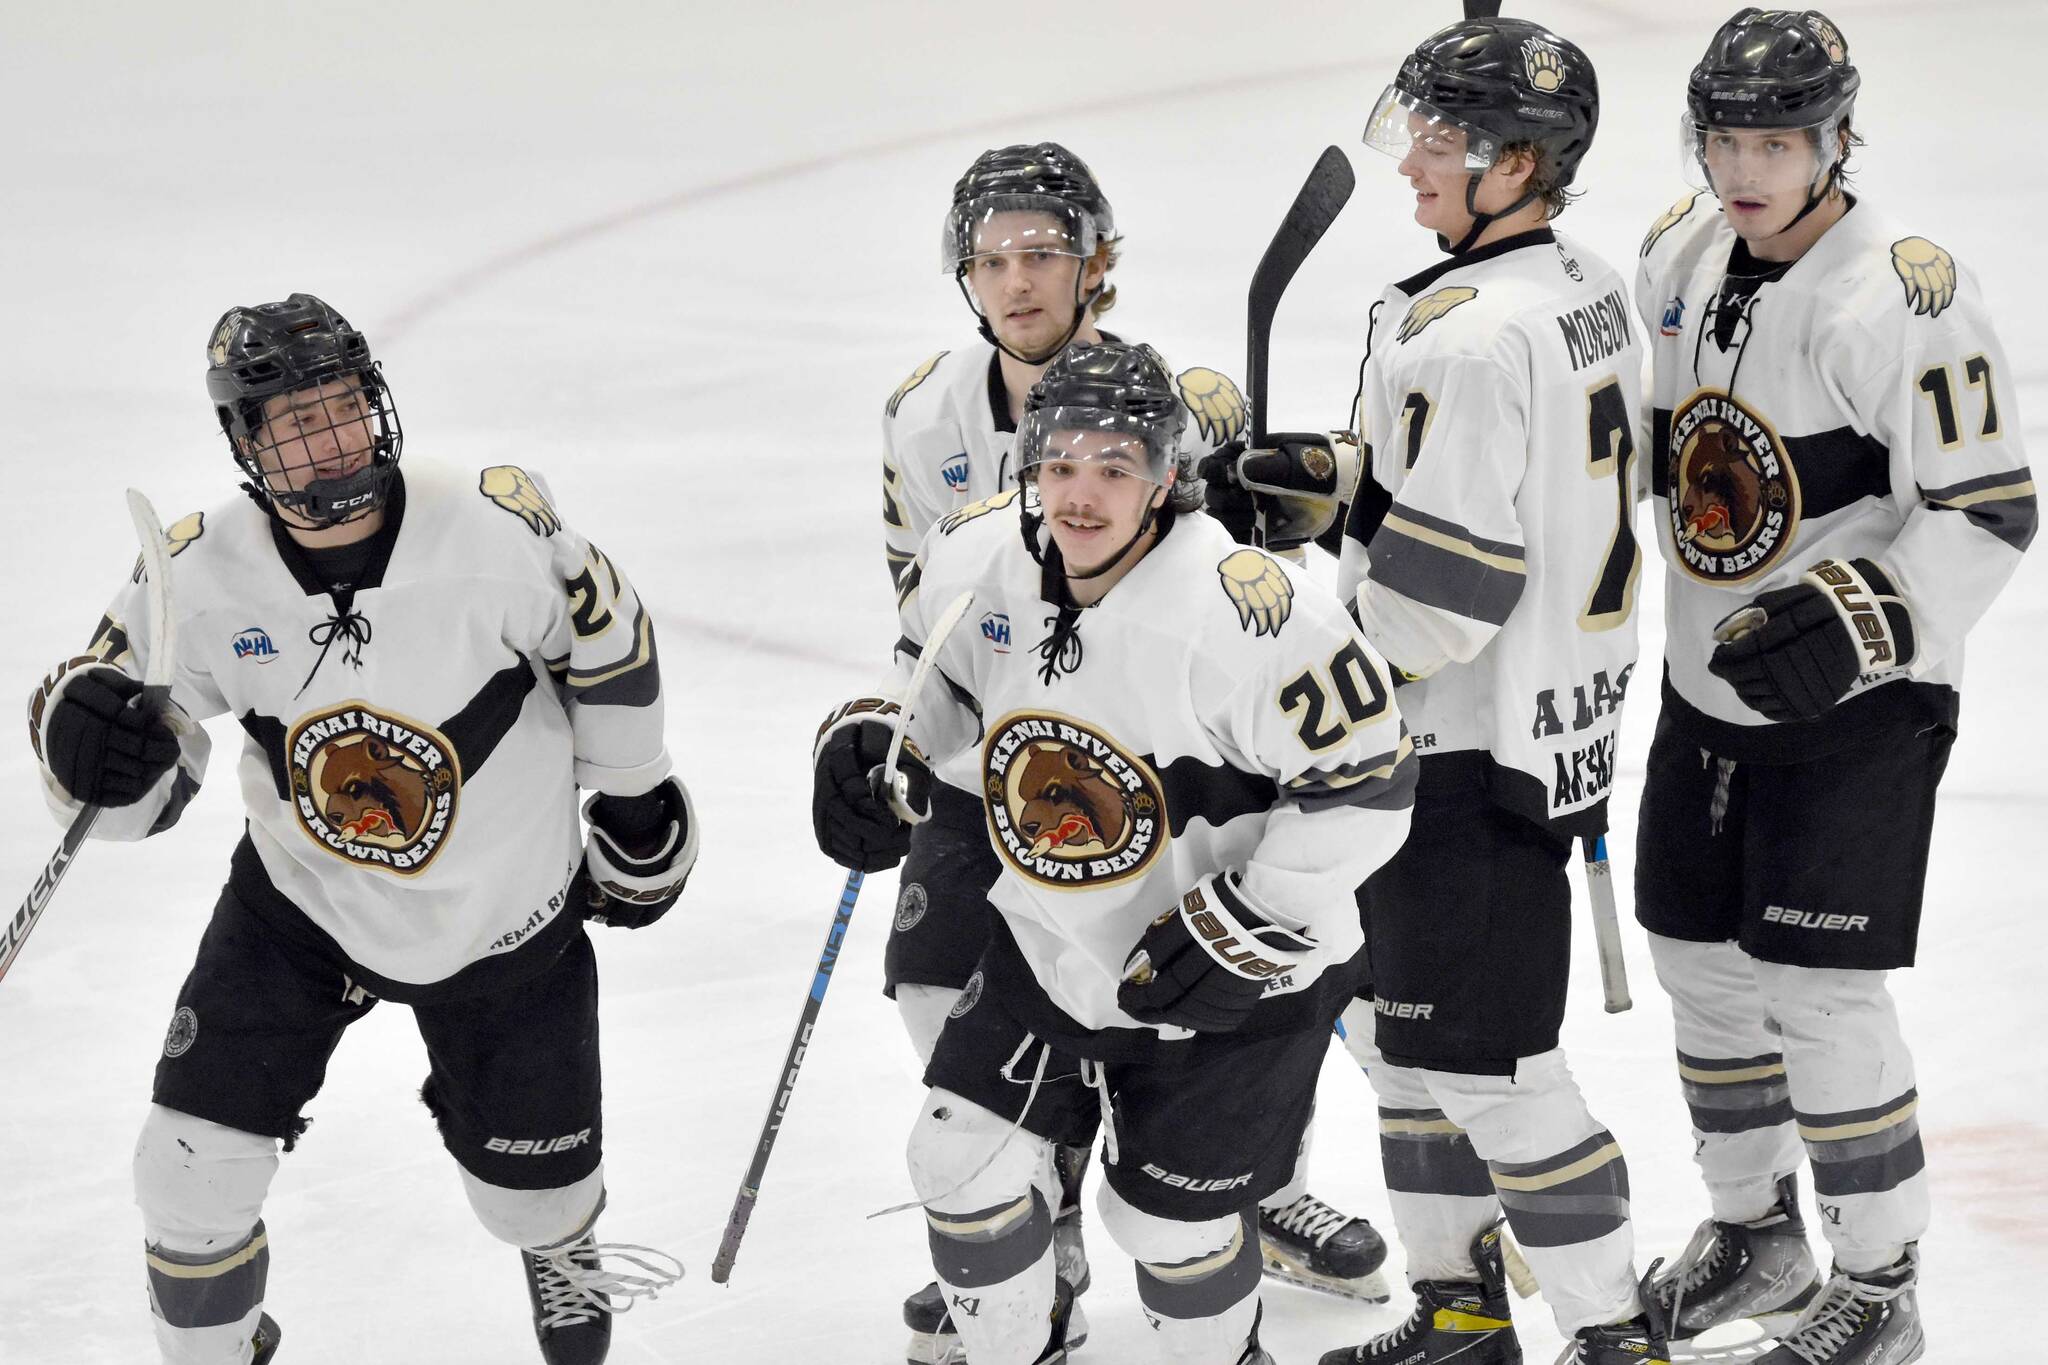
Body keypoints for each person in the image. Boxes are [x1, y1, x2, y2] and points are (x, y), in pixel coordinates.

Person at [25, 294, 691, 1365]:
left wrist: (633, 794)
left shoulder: (489, 526)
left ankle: (558, 1253)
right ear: (246, 443)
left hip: (503, 916)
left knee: (536, 1202)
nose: (330, 440)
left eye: (341, 406)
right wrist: (85, 748)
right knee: (187, 1169)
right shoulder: (195, 573)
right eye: (294, 422)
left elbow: (608, 636)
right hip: (301, 910)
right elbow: (127, 765)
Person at [877, 143, 1389, 1362]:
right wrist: (881, 744)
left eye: (1040, 252)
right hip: (1022, 772)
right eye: (990, 259)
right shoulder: (924, 422)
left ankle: (1239, 1193)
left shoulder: (1192, 422)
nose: (1015, 280)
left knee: (1184, 1175)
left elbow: (1323, 715)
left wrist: (1297, 506)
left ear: (1093, 260)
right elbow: (932, 628)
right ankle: (1034, 1245)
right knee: (941, 1052)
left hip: (1186, 789)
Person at [1631, 11, 2033, 1361]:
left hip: (1862, 708)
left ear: (1835, 140)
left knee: (1819, 993)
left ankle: (1881, 1283)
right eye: (1726, 139)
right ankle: (1757, 1235)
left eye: (1778, 141)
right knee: (1699, 968)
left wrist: (1858, 615)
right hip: (1706, 695)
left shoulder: (1905, 292)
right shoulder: (1678, 255)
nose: (1746, 167)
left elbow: (1987, 507)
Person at [1303, 18, 1670, 1365]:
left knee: (1496, 1078)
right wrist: (1330, 477)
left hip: (1451, 752)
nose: (1410, 168)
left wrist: (1296, 666)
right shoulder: (1576, 284)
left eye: (1441, 143)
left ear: (1518, 163)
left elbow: (1441, 601)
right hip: (1541, 731)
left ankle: (1612, 1336)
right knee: (1406, 1050)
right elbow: (1477, 487)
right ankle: (1461, 1316)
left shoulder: (1460, 337)